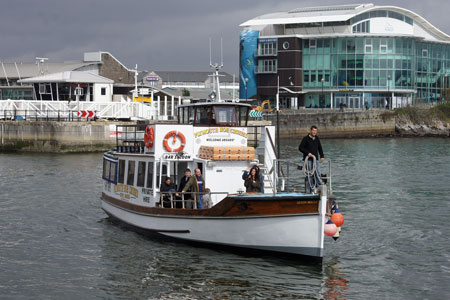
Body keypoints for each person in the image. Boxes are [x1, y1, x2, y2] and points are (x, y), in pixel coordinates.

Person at [299, 125, 325, 192]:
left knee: (318, 173)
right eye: (313, 130)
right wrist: (308, 153)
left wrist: (322, 156)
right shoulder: (305, 138)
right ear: (310, 131)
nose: (314, 132)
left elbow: (320, 148)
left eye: (316, 131)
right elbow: (300, 148)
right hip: (308, 160)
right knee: (309, 174)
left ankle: (319, 187)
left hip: (316, 159)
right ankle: (311, 187)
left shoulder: (317, 138)